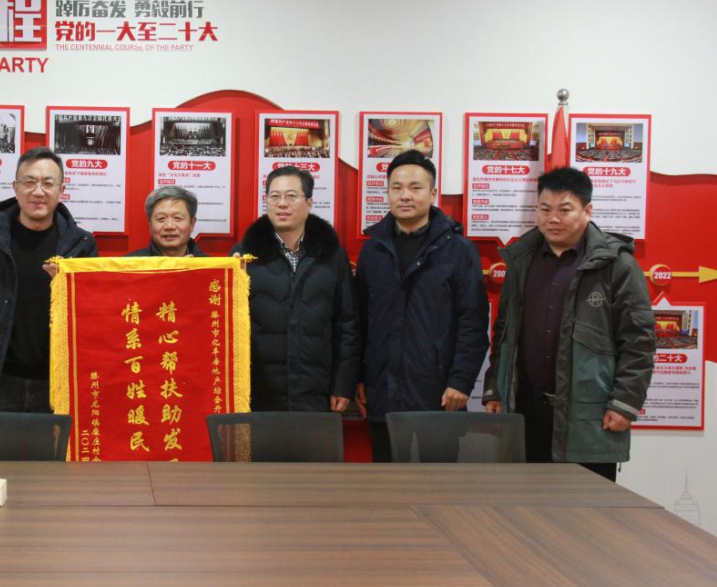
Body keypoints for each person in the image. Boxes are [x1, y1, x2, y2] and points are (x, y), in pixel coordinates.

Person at [483, 167, 655, 481]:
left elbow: (639, 342)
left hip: (588, 415)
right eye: (544, 209)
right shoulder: (522, 261)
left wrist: (625, 403)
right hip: (526, 410)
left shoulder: (617, 265)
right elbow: (505, 331)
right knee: (526, 502)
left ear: (587, 211)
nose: (553, 219)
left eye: (565, 210)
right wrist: (496, 389)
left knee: (586, 507)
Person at [354, 150, 489, 462]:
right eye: (397, 187)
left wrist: (460, 382)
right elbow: (360, 321)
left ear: (432, 193)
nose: (405, 196)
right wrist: (360, 377)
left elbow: (473, 323)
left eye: (415, 187)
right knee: (385, 482)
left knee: (437, 483)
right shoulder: (373, 251)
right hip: (382, 390)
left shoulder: (459, 251)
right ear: (387, 192)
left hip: (440, 394)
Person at [0, 146, 98, 413]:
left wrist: (68, 288)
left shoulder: (81, 244)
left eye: (48, 183)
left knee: (56, 444)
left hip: (58, 382)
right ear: (15, 187)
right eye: (29, 182)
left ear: (61, 191)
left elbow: (94, 316)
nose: (38, 191)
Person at [231, 166, 356, 412]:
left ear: (309, 203)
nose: (282, 204)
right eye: (274, 196)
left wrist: (343, 384)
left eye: (291, 196)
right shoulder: (244, 256)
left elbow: (347, 323)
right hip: (258, 392)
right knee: (257, 440)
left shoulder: (332, 255)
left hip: (316, 390)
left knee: (314, 440)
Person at [127, 185, 207, 257]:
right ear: (150, 223)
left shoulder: (209, 266)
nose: (169, 226)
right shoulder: (129, 265)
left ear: (192, 223)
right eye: (161, 218)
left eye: (177, 218)